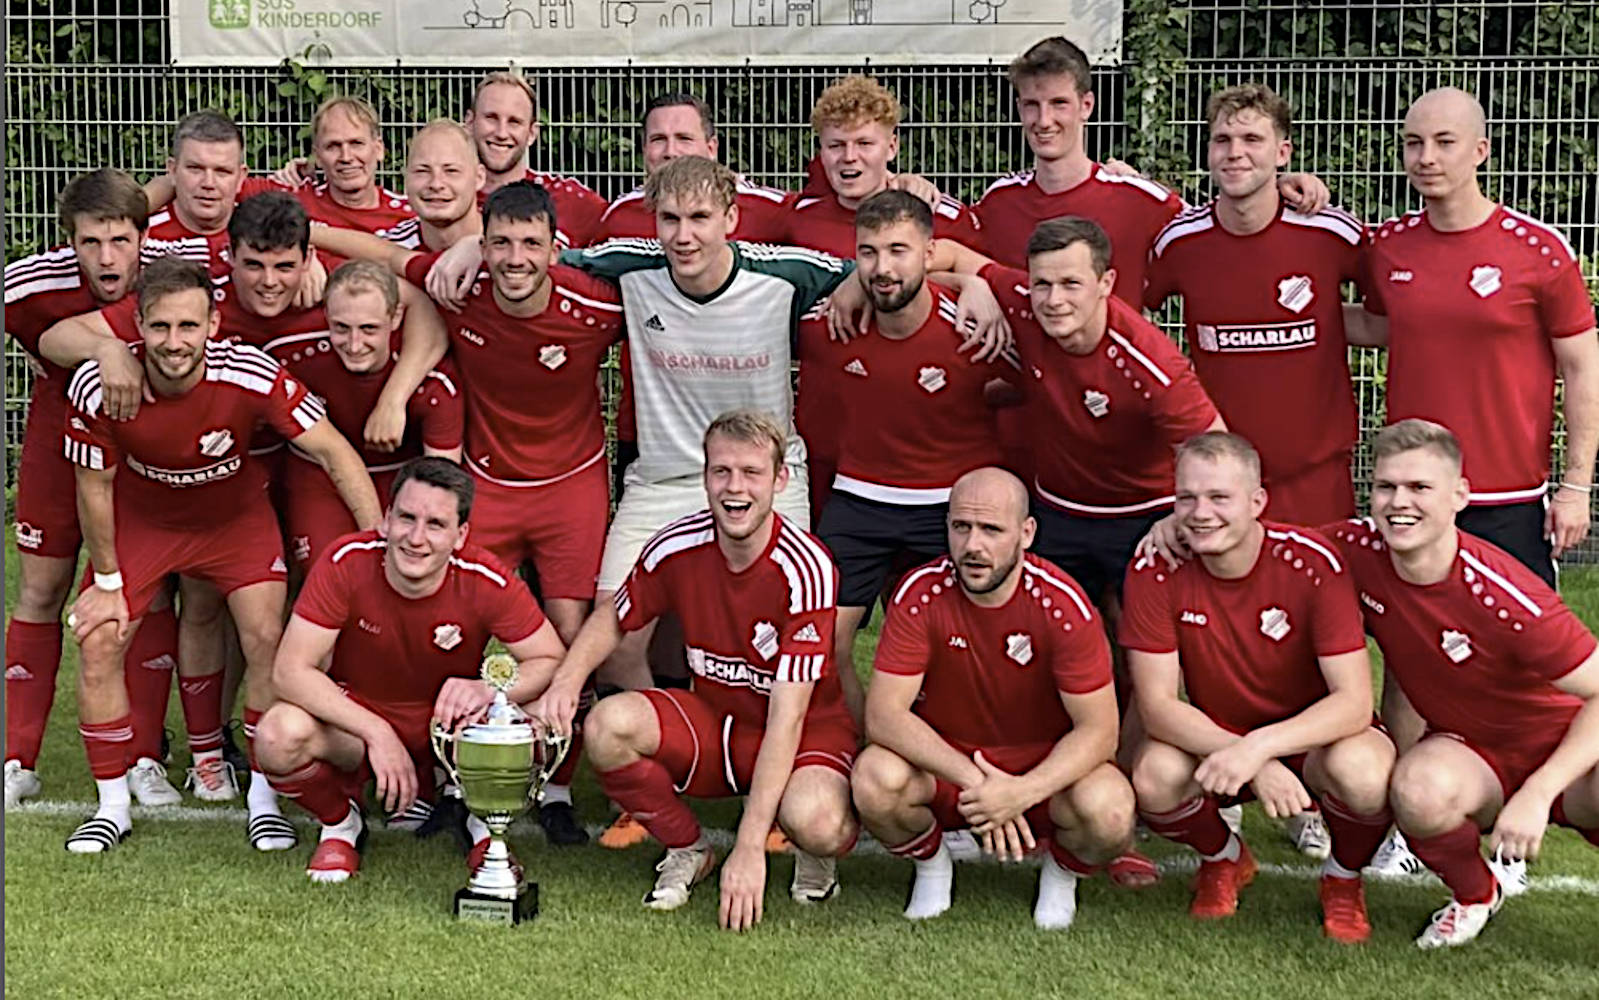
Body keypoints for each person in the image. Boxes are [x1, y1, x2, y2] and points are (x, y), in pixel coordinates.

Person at [312, 180, 625, 844]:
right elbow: (387, 258)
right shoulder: (464, 286)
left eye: (530, 244)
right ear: (482, 246)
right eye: (501, 243)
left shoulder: (595, 302)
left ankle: (554, 788)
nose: (515, 258)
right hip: (489, 483)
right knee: (468, 620)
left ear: (555, 248)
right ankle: (462, 780)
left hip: (571, 485)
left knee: (566, 635)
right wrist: (307, 230)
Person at [59, 256, 381, 854]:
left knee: (266, 640)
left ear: (213, 324)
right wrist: (106, 579)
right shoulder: (101, 384)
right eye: (159, 327)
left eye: (188, 327)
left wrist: (375, 545)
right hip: (145, 523)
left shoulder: (252, 375)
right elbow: (93, 486)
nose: (174, 343)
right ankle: (111, 807)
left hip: (235, 524)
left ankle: (263, 799)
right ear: (139, 325)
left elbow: (335, 452)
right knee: (99, 638)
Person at [530, 410, 858, 930]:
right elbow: (615, 619)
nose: (735, 488)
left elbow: (788, 718)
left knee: (818, 821)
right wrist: (567, 681)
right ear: (704, 477)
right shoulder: (676, 544)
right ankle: (689, 848)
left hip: (802, 735)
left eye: (752, 473)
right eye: (721, 471)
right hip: (719, 723)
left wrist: (750, 847)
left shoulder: (807, 567)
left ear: (780, 480)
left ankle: (813, 855)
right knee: (605, 726)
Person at [1324, 420, 1599, 948]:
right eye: (1386, 487)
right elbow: (1269, 547)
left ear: (1460, 496)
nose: (1398, 502)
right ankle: (1476, 894)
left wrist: (1540, 793)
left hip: (1564, 752)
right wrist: (1174, 527)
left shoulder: (1505, 594)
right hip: (1475, 753)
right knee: (1417, 790)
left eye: (1419, 488)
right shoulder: (1357, 547)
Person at [1120, 432, 1394, 942]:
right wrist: (1250, 758)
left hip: (1312, 740)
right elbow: (1157, 707)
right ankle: (1224, 859)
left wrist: (1262, 749)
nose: (1201, 513)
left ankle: (1343, 878)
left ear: (1257, 502)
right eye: (1187, 498)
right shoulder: (1156, 564)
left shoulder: (1313, 561)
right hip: (1220, 741)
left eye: (1219, 498)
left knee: (1365, 771)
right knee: (1154, 773)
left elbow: (1354, 702)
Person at [256, 458, 566, 882]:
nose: (416, 538)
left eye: (436, 524)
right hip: (356, 723)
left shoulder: (483, 577)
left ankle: (483, 829)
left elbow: (550, 658)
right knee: (277, 734)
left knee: (531, 729)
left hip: (445, 727)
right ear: (386, 521)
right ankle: (340, 824)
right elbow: (289, 671)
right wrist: (376, 731)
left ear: (460, 536)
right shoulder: (347, 561)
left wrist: (488, 691)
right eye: (406, 518)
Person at [851, 467, 1133, 929]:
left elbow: (1101, 732)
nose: (972, 546)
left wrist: (1021, 792)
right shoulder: (920, 592)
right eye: (961, 527)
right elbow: (883, 717)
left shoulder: (1063, 604)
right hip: (949, 770)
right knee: (874, 778)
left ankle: (1062, 873)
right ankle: (932, 863)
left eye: (991, 530)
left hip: (1043, 775)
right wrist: (980, 787)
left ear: (1026, 533)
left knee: (1112, 810)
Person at [1353, 87, 1599, 586]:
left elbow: (1582, 366)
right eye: (1413, 143)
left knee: (1523, 655)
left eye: (1444, 142)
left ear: (1480, 151)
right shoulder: (1388, 245)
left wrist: (1576, 486)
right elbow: (1377, 326)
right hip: (1414, 492)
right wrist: (1260, 312)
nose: (1426, 158)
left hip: (1508, 497)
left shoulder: (1540, 251)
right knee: (1411, 647)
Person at [4, 169, 181, 808]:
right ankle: (16, 757)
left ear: (144, 234)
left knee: (144, 593)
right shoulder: (29, 283)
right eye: (90, 242)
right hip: (57, 445)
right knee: (42, 587)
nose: (108, 257)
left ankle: (143, 757)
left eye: (121, 240)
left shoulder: (175, 273)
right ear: (69, 241)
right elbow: (46, 339)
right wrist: (107, 350)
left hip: (137, 450)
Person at [811, 189, 1014, 723]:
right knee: (819, 649)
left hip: (948, 505)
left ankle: (945, 766)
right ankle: (861, 760)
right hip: (859, 499)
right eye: (869, 253)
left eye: (899, 251)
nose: (882, 267)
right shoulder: (833, 320)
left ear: (929, 253)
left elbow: (1034, 383)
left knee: (953, 654)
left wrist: (976, 283)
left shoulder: (978, 327)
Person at [1146, 84, 1367, 527]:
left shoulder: (1330, 233)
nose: (1235, 152)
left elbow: (1390, 311)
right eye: (1222, 140)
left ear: (1283, 152)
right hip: (1221, 479)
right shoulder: (1180, 242)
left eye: (1252, 140)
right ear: (1208, 151)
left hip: (1316, 479)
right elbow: (1132, 313)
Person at [781, 75, 987, 515]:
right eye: (836, 145)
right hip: (826, 430)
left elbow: (985, 276)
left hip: (923, 444)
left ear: (891, 147)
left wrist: (972, 282)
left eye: (864, 143)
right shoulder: (797, 219)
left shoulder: (939, 215)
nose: (849, 157)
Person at [281, 260, 463, 572]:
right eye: (341, 327)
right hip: (319, 475)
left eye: (369, 329)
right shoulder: (295, 356)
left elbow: (442, 482)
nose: (354, 344)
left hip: (401, 476)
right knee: (325, 573)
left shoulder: (435, 384)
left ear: (395, 318)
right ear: (325, 315)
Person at [464, 71, 608, 248]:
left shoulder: (570, 200)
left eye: (514, 122)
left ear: (532, 133)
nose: (501, 133)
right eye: (491, 118)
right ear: (469, 123)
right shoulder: (443, 197)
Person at [139, 110, 284, 277]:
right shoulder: (139, 238)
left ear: (240, 177)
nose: (208, 183)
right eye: (195, 169)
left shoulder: (266, 232)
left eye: (222, 171)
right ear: (172, 170)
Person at [268, 95, 418, 240]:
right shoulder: (294, 204)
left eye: (356, 144)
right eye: (333, 146)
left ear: (378, 149)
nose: (346, 157)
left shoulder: (411, 216)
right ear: (318, 156)